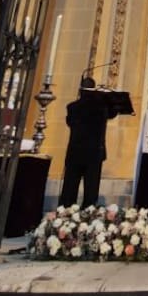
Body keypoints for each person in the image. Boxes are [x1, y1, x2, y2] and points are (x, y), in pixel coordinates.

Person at [58, 77, 121, 208]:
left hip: (75, 152)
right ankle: (88, 212)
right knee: (91, 190)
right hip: (94, 153)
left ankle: (65, 212)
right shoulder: (101, 109)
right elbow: (113, 112)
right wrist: (106, 96)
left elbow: (70, 122)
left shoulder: (72, 107)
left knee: (69, 188)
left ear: (80, 90)